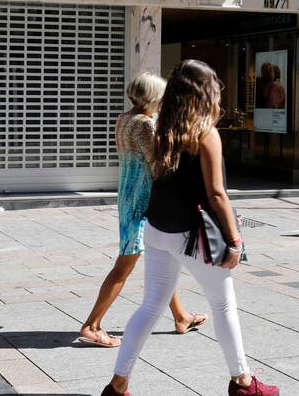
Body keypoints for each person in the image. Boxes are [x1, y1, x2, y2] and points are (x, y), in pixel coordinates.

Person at [101, 61, 278, 396]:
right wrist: (235, 240)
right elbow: (216, 193)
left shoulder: (160, 129)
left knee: (151, 304)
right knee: (223, 305)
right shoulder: (204, 134)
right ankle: (243, 382)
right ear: (204, 92)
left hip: (158, 228)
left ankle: (118, 384)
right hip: (192, 235)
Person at [79, 72, 207, 348]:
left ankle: (181, 316)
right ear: (152, 98)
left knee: (162, 261)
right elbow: (158, 164)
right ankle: (91, 326)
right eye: (161, 97)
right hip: (142, 202)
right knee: (124, 266)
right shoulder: (146, 125)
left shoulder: (124, 119)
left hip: (128, 195)